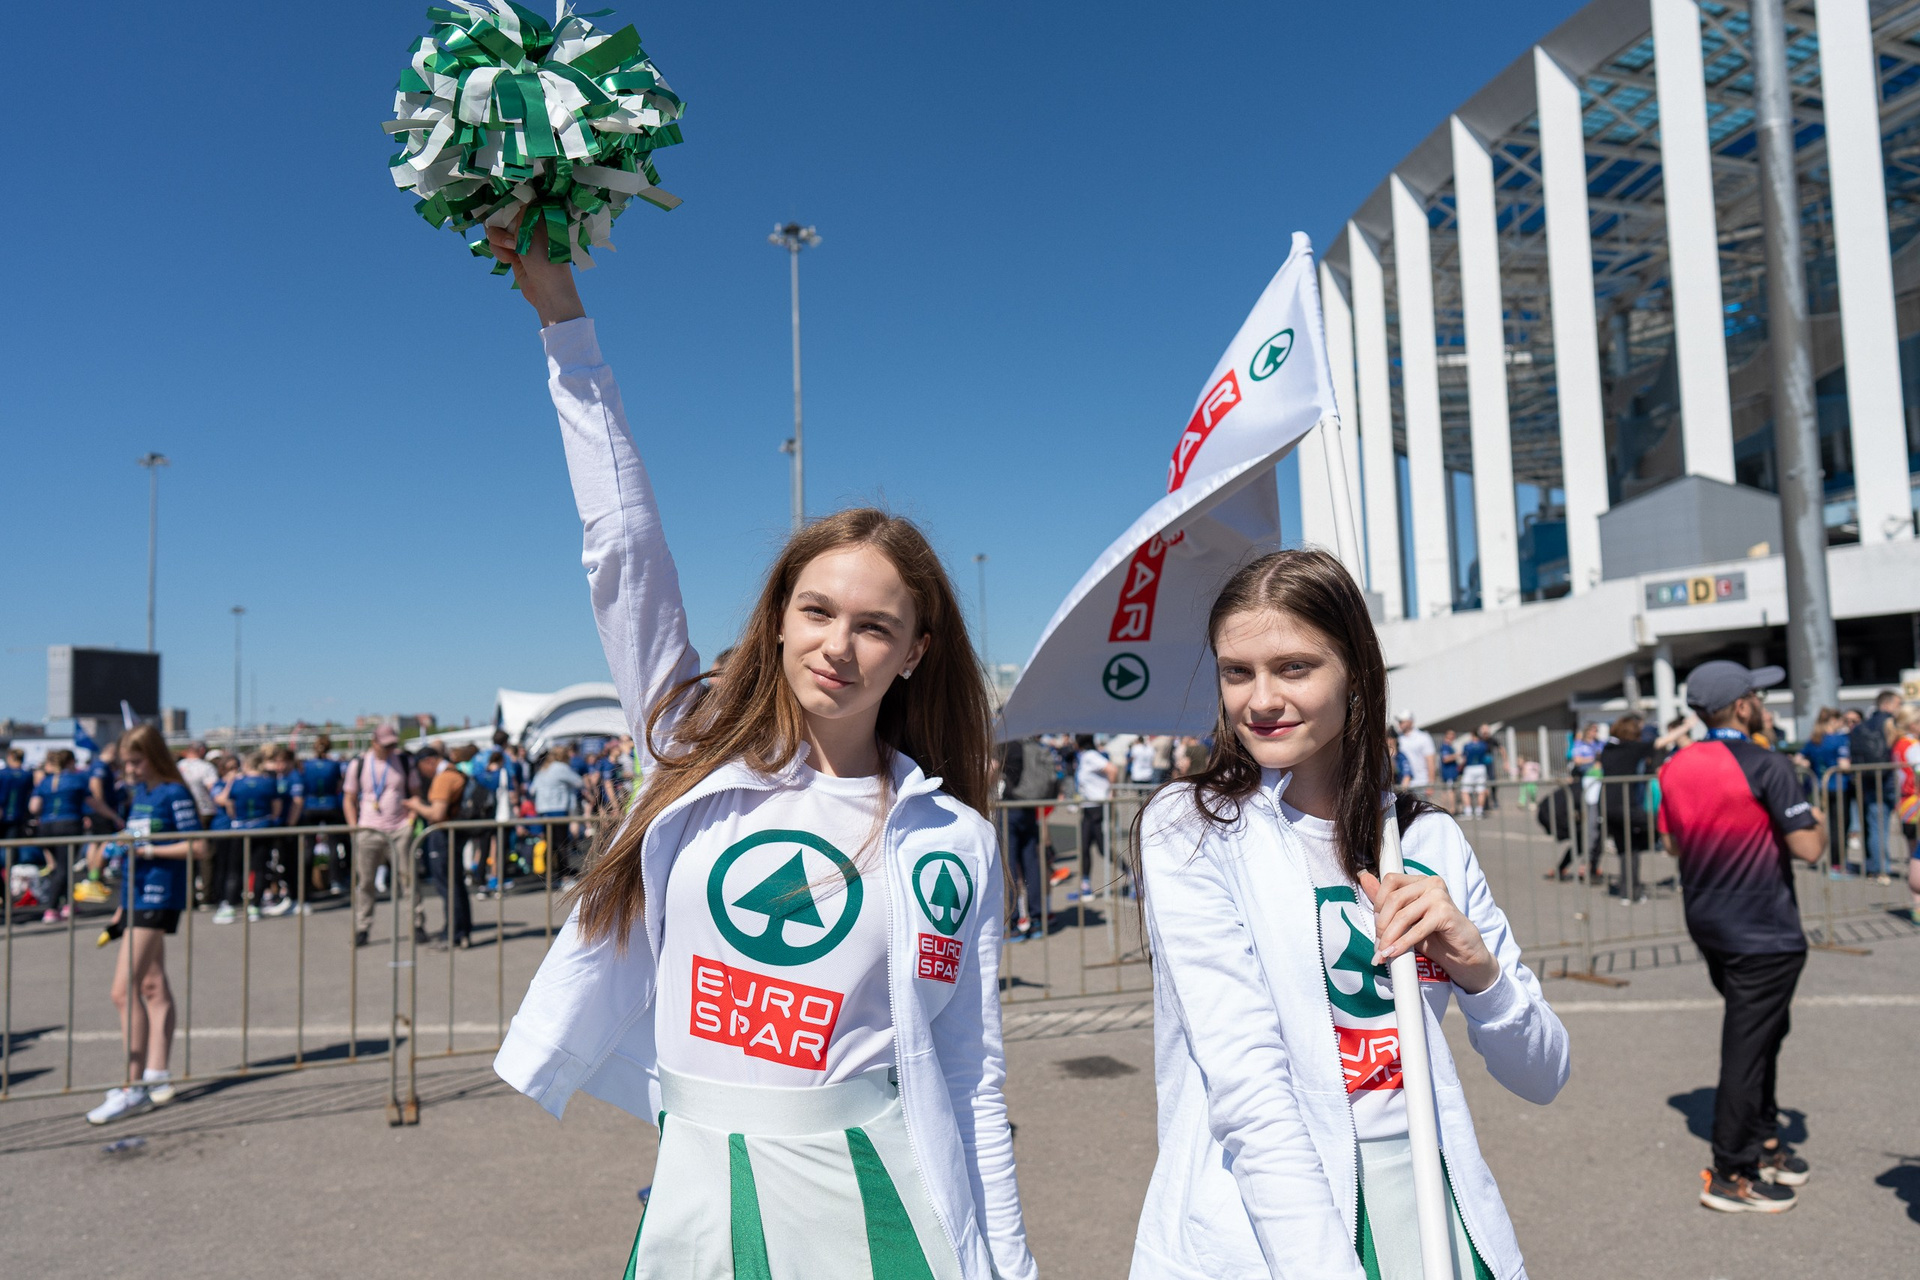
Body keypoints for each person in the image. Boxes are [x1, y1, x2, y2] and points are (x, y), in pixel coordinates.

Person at [485, 225, 1034, 1280]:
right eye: (816, 610)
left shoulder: (953, 839)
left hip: (878, 1195)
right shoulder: (690, 752)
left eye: (875, 626)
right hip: (696, 1183)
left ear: (916, 651)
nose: (839, 646)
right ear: (778, 617)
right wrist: (562, 319)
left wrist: (1008, 1265)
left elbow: (971, 1071)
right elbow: (622, 548)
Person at [1128, 549, 1567, 1279]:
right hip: (1272, 1219)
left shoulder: (1427, 839)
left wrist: (1479, 971)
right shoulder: (1193, 827)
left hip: (1435, 1203)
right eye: (1237, 672)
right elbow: (1250, 1089)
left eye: (1294, 667)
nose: (1260, 699)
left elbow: (1543, 1073)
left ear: (1356, 673)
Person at [1657, 660, 1823, 1212]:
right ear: (1743, 705)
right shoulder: (1766, 762)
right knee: (1749, 1046)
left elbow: (1672, 845)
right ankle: (1731, 1171)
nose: (1764, 706)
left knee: (1765, 1032)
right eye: (1759, 697)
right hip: (1763, 928)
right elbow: (1809, 847)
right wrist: (1817, 817)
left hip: (1710, 920)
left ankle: (1766, 1139)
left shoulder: (1675, 765)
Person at [85, 725, 210, 1125]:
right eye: (126, 762)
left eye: (136, 761)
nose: (130, 769)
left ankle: (132, 1085)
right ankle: (156, 1072)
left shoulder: (174, 793)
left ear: (154, 756)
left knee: (123, 992)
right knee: (152, 986)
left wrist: (150, 850)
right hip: (135, 896)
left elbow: (198, 845)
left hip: (158, 896)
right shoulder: (141, 794)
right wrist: (122, 904)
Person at [343, 725, 424, 949]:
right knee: (366, 882)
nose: (390, 749)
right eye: (386, 745)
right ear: (374, 742)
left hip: (399, 828)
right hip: (369, 829)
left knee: (408, 880)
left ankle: (417, 924)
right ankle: (363, 926)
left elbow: (415, 793)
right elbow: (349, 798)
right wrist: (354, 827)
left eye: (393, 744)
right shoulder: (359, 764)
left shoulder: (404, 762)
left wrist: (410, 821)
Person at [31, 748, 117, 922]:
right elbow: (95, 803)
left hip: (46, 827)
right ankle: (51, 908)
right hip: (68, 825)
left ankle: (68, 904)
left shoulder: (45, 782)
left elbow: (33, 807)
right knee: (64, 868)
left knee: (59, 867)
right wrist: (114, 817)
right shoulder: (76, 780)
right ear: (70, 762)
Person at [405, 745, 471, 949]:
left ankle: (452, 933)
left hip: (443, 836)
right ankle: (460, 931)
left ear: (429, 761)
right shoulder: (455, 772)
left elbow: (437, 814)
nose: (422, 773)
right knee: (455, 884)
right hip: (452, 834)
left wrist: (415, 805)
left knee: (448, 885)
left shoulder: (444, 778)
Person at [998, 736, 1060, 939]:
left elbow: (993, 770)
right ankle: (1037, 919)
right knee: (1031, 864)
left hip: (1010, 807)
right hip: (1030, 807)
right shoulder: (1037, 746)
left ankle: (1012, 923)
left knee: (1008, 866)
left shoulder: (1009, 743)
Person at [214, 751, 280, 923]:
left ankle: (229, 905)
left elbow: (230, 806)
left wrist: (239, 819)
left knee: (235, 869)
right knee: (259, 868)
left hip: (240, 828)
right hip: (262, 827)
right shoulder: (268, 782)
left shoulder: (237, 782)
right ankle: (255, 906)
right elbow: (276, 808)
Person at [1849, 689, 1901, 883]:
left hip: (1870, 782)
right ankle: (1883, 868)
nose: (1900, 708)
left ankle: (1878, 868)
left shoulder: (1861, 727)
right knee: (1903, 828)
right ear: (1887, 704)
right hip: (1891, 781)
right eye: (1898, 704)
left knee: (1876, 827)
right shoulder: (1891, 723)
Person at [1797, 708, 1851, 875]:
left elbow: (1799, 758)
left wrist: (1807, 764)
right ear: (1833, 721)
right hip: (1838, 787)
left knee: (1821, 824)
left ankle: (1820, 857)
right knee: (1839, 827)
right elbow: (1844, 765)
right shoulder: (1839, 740)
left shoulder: (1815, 739)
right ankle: (1837, 864)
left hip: (1819, 787)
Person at [300, 733, 349, 895]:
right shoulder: (334, 765)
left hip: (311, 806)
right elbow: (339, 785)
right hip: (331, 805)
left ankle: (306, 883)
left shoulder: (307, 765)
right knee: (334, 845)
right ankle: (336, 881)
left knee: (309, 846)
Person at [1072, 733, 1117, 901]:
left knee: (1103, 848)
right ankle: (1085, 886)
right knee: (1084, 847)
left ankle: (1133, 876)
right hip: (1088, 808)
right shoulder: (1085, 757)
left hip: (1097, 807)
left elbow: (1112, 769)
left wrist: (1111, 793)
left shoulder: (1091, 755)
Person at [529, 749, 585, 877]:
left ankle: (553, 871)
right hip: (557, 808)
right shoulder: (561, 768)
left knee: (550, 842)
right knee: (562, 842)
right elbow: (578, 782)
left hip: (543, 810)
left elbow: (532, 790)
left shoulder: (543, 769)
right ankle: (563, 872)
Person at [1893, 707, 1920, 923]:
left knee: (1914, 855)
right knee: (1916, 856)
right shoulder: (1913, 746)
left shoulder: (1898, 743)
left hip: (1904, 802)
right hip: (1915, 802)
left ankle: (1917, 907)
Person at [1395, 710, 1437, 796]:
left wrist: (1430, 784)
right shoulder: (1398, 739)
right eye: (1399, 722)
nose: (1400, 724)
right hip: (1404, 784)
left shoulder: (1423, 737)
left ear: (1410, 721)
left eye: (1402, 721)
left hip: (1421, 783)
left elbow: (1430, 761)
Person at [1458, 727, 1495, 819]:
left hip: (1470, 767)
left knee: (1465, 790)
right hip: (1481, 767)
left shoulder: (1467, 745)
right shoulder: (1483, 745)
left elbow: (1464, 757)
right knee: (1481, 790)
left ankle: (1468, 811)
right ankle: (1479, 811)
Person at [0, 747, 32, 846]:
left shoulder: (3, 774)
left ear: (10, 757)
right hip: (19, 816)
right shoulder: (27, 775)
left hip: (6, 815)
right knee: (12, 846)